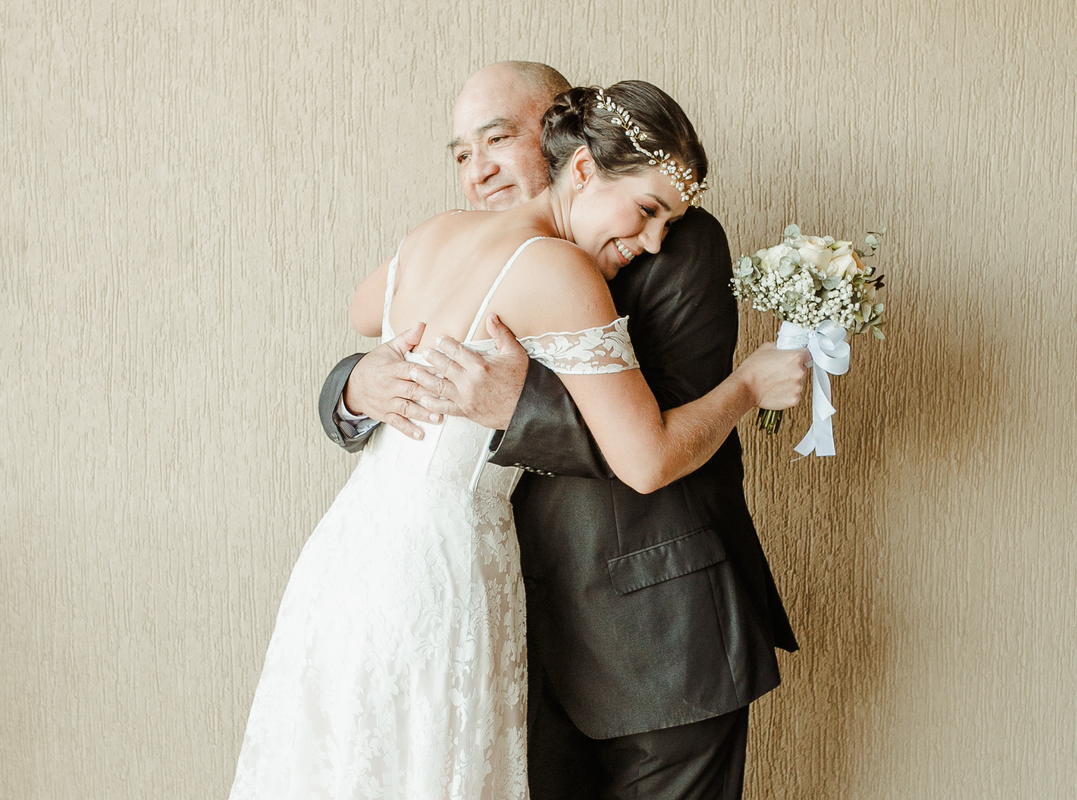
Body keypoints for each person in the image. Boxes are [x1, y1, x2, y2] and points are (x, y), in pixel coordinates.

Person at [231, 78, 806, 798]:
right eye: (464, 153)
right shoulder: (558, 267)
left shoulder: (434, 235)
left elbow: (368, 306)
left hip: (359, 558)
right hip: (446, 570)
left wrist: (479, 382)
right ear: (587, 171)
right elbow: (648, 456)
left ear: (558, 143)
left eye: (497, 140)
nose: (654, 237)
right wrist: (358, 381)